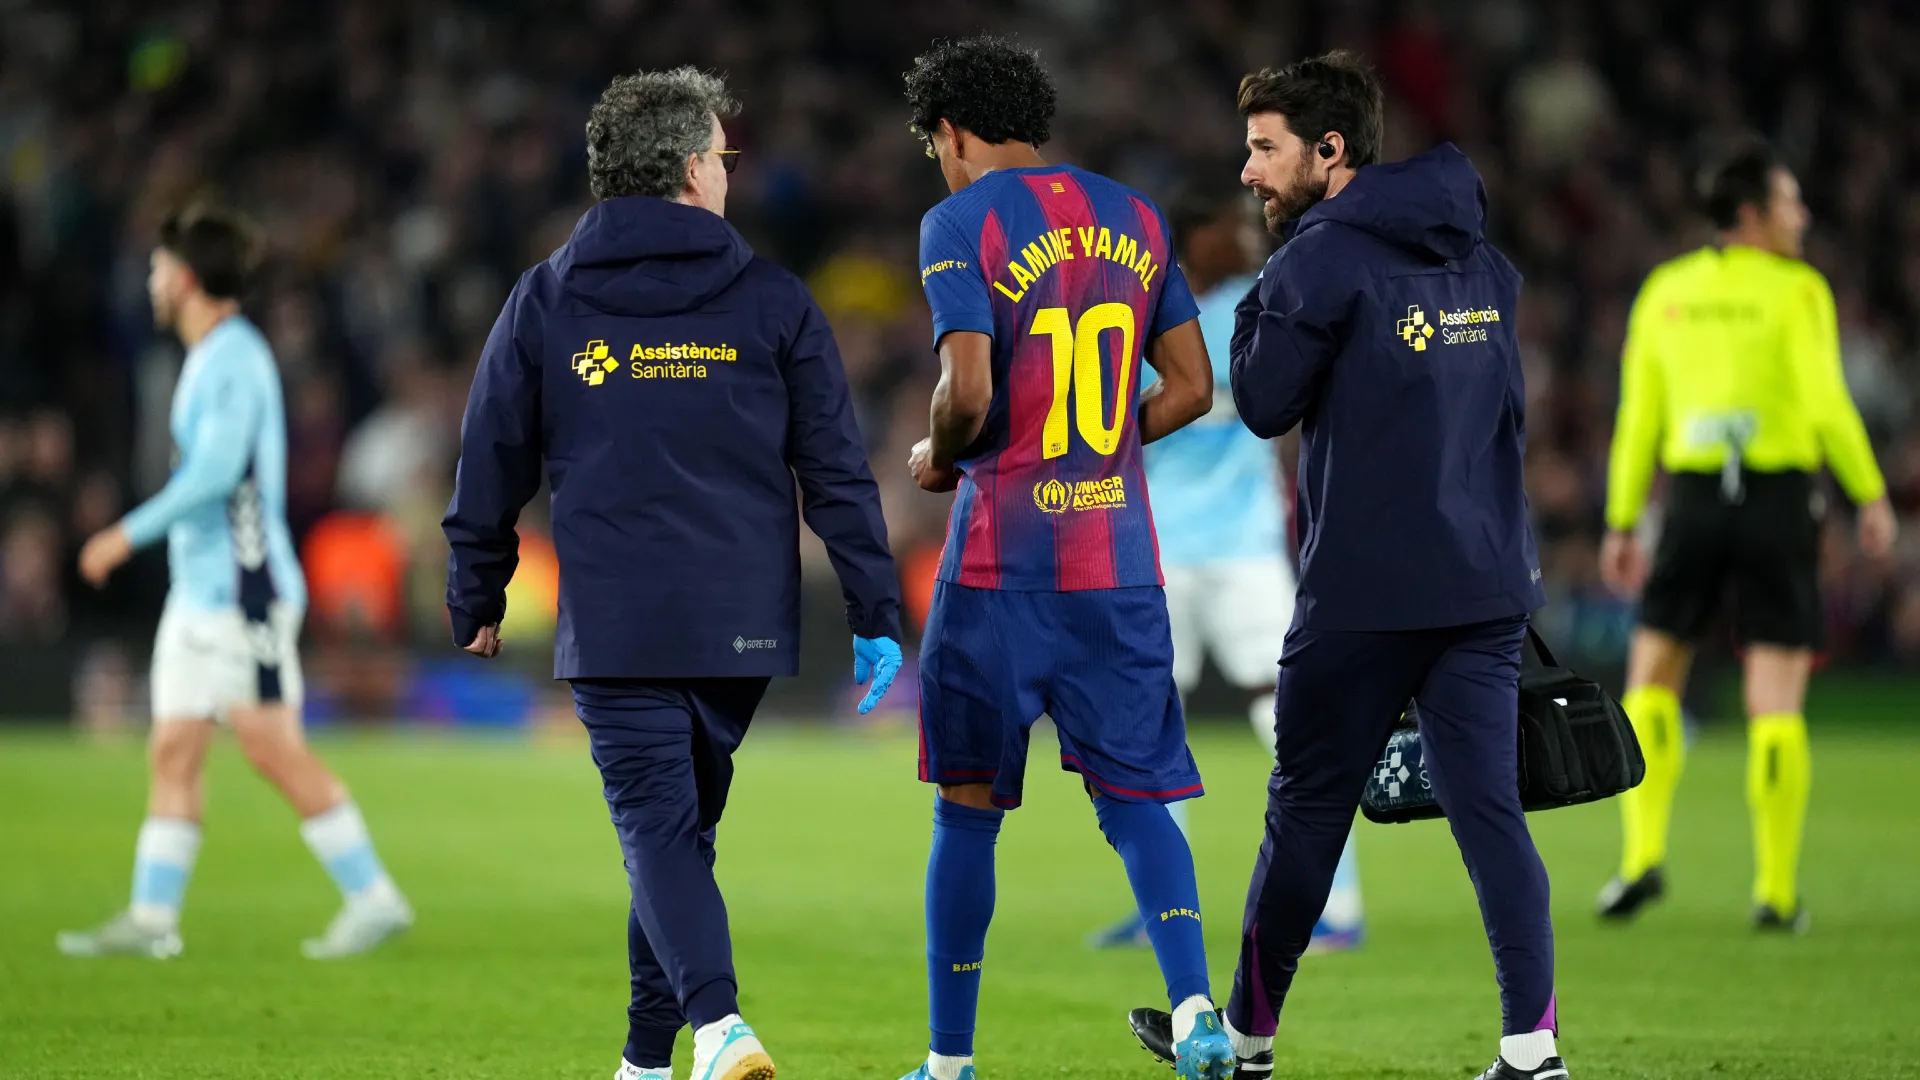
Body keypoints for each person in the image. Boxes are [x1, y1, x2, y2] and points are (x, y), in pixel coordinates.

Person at [442, 69, 904, 1080]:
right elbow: (832, 467)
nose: (730, 175)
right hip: (741, 620)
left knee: (659, 832)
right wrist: (876, 607)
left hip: (615, 617)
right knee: (675, 837)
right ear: (695, 167)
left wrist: (476, 588)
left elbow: (491, 456)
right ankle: (646, 1061)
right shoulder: (775, 299)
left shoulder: (547, 298)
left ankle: (719, 1028)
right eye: (725, 158)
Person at [1132, 52, 1563, 1080]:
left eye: (1264, 148)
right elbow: (1509, 416)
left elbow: (1266, 400)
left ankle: (1245, 1041)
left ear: (1330, 152)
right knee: (1490, 815)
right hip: (1486, 580)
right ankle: (1533, 1049)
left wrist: (1255, 303)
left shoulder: (1315, 261)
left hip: (1365, 594)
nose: (1247, 171)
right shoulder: (1481, 258)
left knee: (1308, 810)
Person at [897, 35, 1231, 1080]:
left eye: (934, 148)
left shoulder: (958, 222)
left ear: (951, 133)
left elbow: (969, 395)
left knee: (968, 811)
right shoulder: (1134, 215)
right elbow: (1189, 390)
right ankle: (1196, 1014)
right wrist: (1096, 449)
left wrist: (937, 456)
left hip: (1000, 569)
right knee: (1136, 802)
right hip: (1117, 564)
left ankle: (950, 1066)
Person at [59, 204, 412, 961]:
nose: (151, 280)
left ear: (184, 278)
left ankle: (374, 896)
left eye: (158, 269)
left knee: (271, 748)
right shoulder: (209, 355)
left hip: (243, 592)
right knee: (174, 747)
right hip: (198, 593)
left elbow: (218, 473)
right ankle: (153, 921)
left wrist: (125, 533)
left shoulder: (236, 357)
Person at [1597, 140, 1896, 931]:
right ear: (1755, 215)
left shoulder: (1667, 290)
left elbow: (1639, 418)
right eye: (1791, 201)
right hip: (1776, 499)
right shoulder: (1799, 291)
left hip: (1693, 500)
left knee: (1651, 679)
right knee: (1775, 700)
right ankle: (1774, 890)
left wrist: (1623, 519)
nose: (1802, 215)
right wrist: (1870, 495)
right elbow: (1827, 401)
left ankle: (1639, 861)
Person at [1089, 185, 1365, 956]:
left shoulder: (1264, 299)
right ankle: (1160, 909)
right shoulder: (1132, 315)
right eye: (1229, 226)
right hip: (1158, 550)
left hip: (1246, 550)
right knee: (1144, 730)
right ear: (1189, 239)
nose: (1246, 236)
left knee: (1291, 721)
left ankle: (1336, 906)